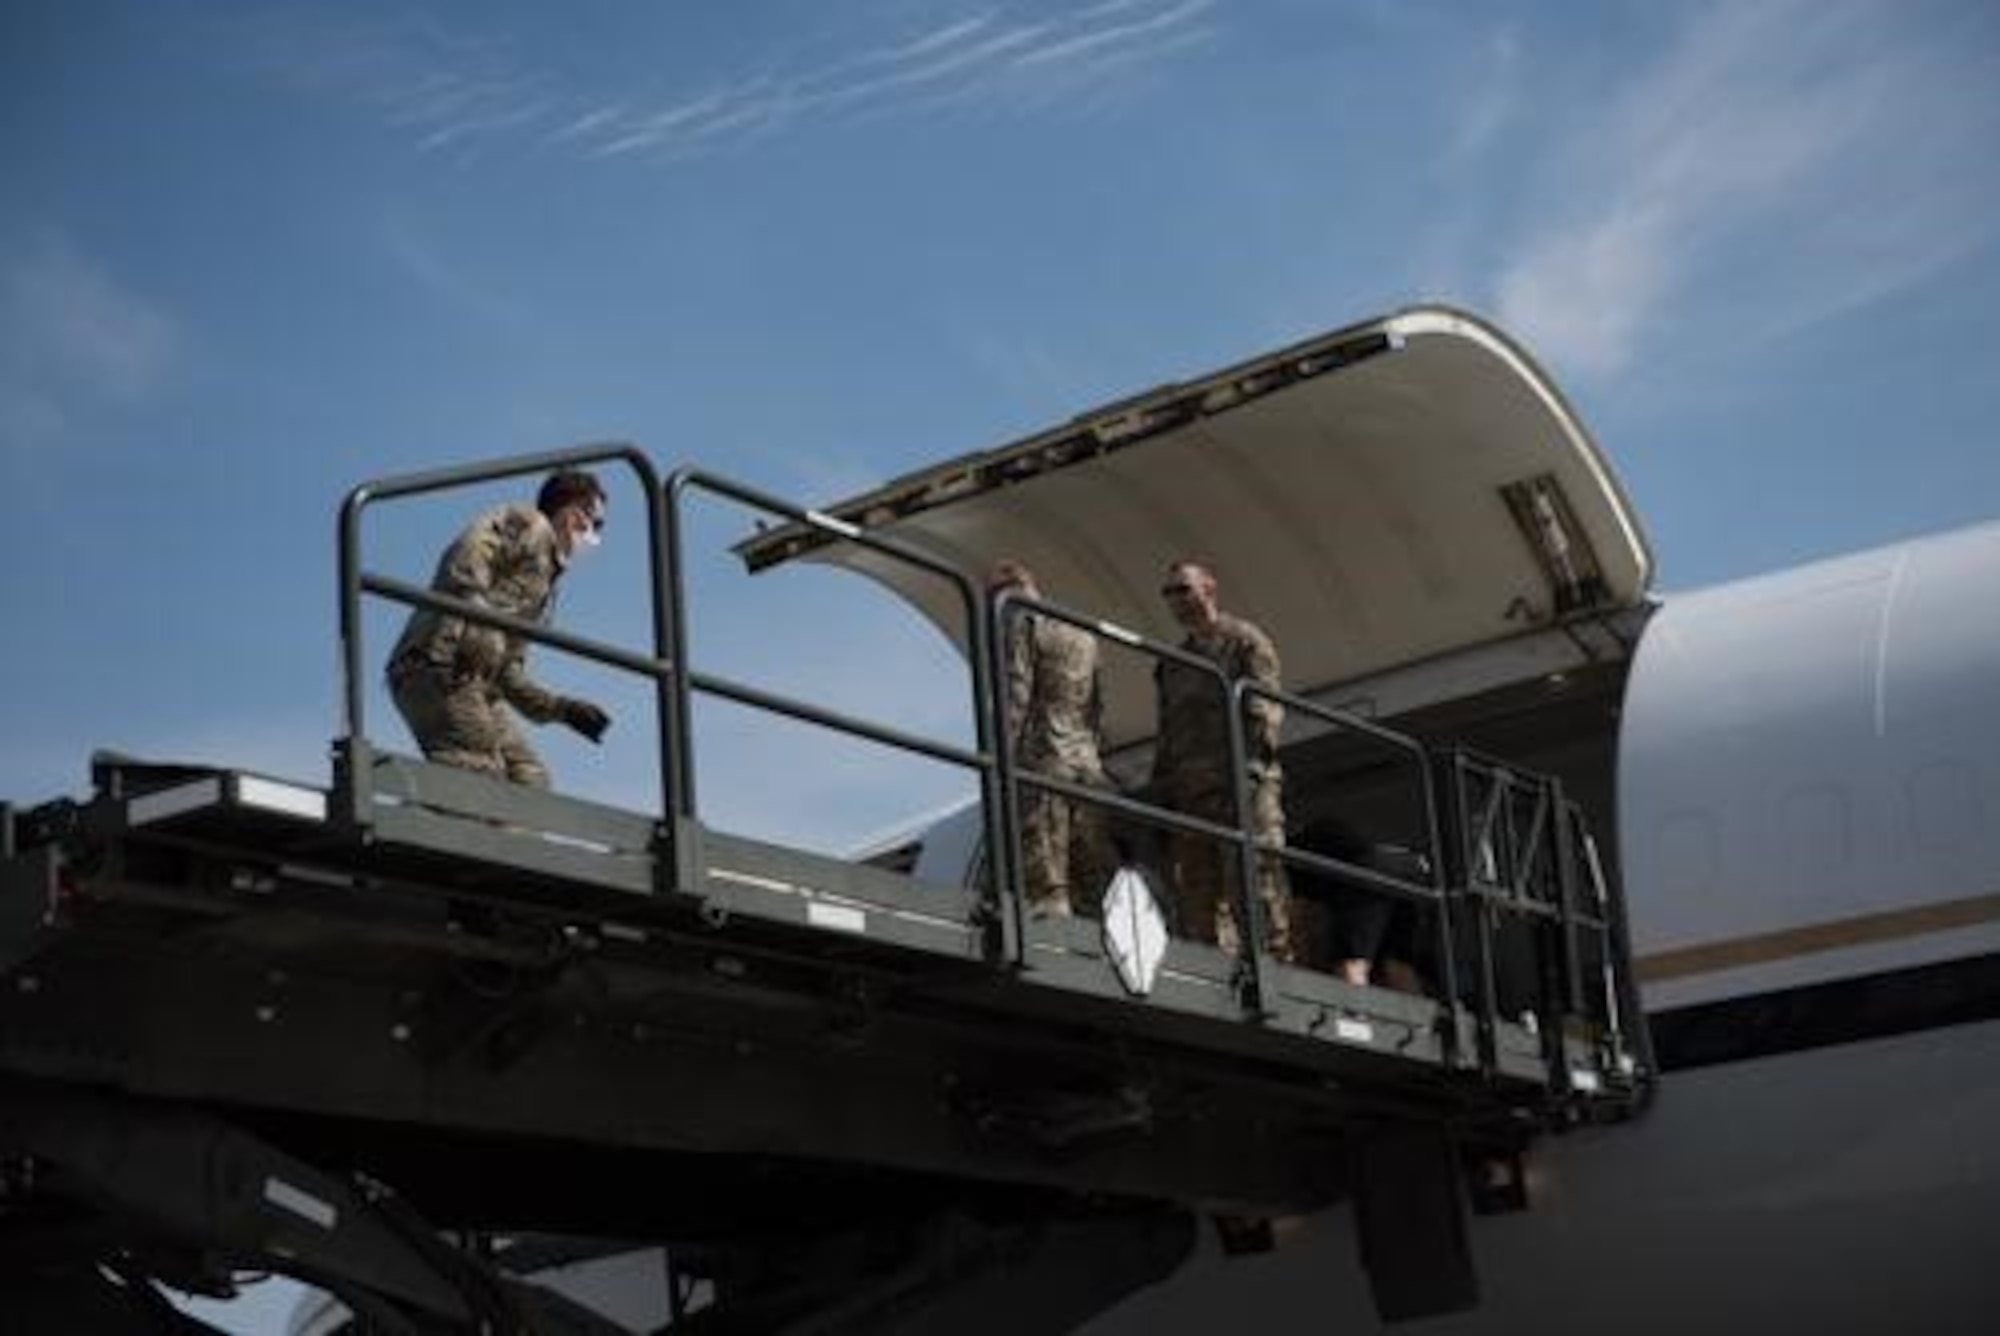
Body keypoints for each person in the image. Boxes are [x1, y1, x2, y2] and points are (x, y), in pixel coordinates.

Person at [386, 468, 613, 788]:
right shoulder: (530, 524)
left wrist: (562, 709)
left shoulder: (545, 585)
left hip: (476, 684)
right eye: (596, 523)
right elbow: (470, 550)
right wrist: (475, 611)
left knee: (531, 780)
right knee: (481, 776)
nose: (595, 536)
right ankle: (406, 828)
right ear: (575, 516)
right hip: (439, 666)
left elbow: (508, 672)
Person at [1150, 559, 1295, 961]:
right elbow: (1168, 732)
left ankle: (1274, 971)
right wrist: (1162, 788)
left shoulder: (1244, 641)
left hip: (1241, 788)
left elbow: (1265, 709)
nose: (1175, 601)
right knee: (1198, 896)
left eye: (1183, 590)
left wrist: (1250, 772)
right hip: (1194, 796)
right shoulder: (1172, 663)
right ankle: (1214, 969)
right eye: (1169, 593)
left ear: (1209, 589)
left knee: (1256, 889)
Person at [991, 559, 1115, 919]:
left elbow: (1017, 691)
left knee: (1048, 876)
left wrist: (1003, 753)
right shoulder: (1080, 631)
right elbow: (1097, 706)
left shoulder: (1020, 620)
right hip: (1086, 762)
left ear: (1005, 591)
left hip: (1043, 756)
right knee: (1091, 855)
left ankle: (1052, 920)